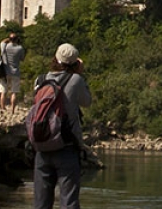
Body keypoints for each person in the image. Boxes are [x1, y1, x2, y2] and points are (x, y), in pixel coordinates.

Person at [32, 43, 92, 209]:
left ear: (55, 58)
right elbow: (87, 101)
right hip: (66, 145)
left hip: (42, 144)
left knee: (41, 203)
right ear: (75, 62)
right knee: (69, 201)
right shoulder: (76, 80)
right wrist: (79, 74)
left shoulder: (40, 80)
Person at [0, 33, 26, 112]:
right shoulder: (20, 48)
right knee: (14, 92)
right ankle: (12, 109)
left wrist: (8, 39)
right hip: (15, 72)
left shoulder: (5, 47)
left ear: (9, 39)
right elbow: (22, 59)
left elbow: (2, 42)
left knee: (3, 91)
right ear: (17, 39)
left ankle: (2, 108)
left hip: (5, 72)